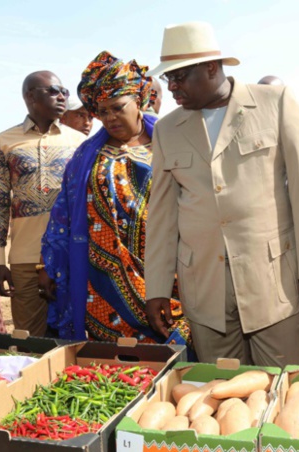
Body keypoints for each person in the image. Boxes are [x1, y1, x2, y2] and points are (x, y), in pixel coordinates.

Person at [144, 21, 299, 367]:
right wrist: (155, 288)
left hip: (272, 283)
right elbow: (162, 214)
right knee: (220, 393)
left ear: (212, 68)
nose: (171, 86)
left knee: (283, 385)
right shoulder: (168, 129)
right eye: (169, 77)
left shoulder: (274, 103)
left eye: (180, 76)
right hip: (204, 287)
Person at [39, 51, 193, 352]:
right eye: (103, 111)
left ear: (139, 101)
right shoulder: (86, 156)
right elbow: (64, 214)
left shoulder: (170, 144)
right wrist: (48, 264)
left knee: (171, 346)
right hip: (101, 279)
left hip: (164, 268)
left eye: (118, 108)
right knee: (111, 358)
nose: (110, 118)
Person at [0, 71, 85, 337]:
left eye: (65, 92)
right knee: (28, 339)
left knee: (73, 338)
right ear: (30, 96)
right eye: (54, 91)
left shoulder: (79, 143)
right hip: (24, 259)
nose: (63, 97)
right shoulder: (4, 142)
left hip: (69, 257)